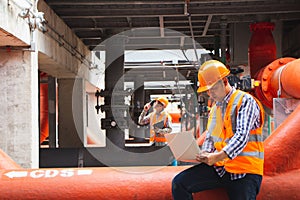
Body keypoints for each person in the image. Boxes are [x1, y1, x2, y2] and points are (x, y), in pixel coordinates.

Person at [172, 60, 265, 200]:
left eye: (213, 89)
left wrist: (217, 156)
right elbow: (210, 136)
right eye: (207, 90)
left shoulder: (245, 101)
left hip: (244, 172)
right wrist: (202, 155)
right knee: (179, 183)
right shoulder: (215, 108)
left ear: (225, 81)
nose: (210, 94)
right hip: (220, 168)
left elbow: (241, 137)